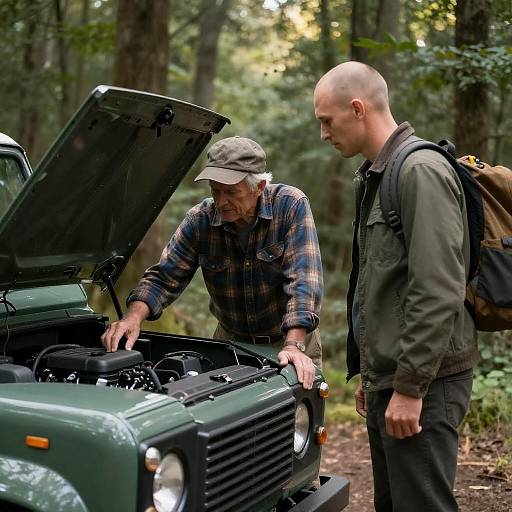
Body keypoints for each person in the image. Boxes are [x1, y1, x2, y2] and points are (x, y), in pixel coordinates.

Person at [313, 62, 478, 511]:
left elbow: (438, 287)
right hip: (397, 375)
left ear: (357, 108)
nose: (324, 134)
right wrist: (376, 374)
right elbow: (384, 286)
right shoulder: (376, 175)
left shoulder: (419, 170)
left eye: (327, 121)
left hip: (428, 381)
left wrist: (409, 386)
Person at [101, 136, 323, 389]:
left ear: (259, 186)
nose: (221, 201)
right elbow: (164, 277)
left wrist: (294, 344)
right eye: (215, 191)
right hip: (231, 343)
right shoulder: (200, 220)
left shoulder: (290, 206)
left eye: (231, 192)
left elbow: (304, 282)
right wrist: (132, 318)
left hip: (289, 340)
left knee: (295, 423)